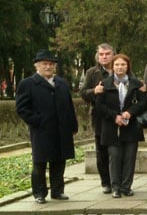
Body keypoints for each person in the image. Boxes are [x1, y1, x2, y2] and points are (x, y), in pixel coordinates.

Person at [16, 49, 78, 204]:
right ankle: (39, 193)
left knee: (59, 160)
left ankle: (57, 191)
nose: (48, 67)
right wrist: (38, 120)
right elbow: (22, 109)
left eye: (51, 64)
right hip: (42, 130)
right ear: (37, 66)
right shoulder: (28, 84)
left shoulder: (62, 83)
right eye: (45, 64)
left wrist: (72, 125)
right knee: (40, 163)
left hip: (62, 129)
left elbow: (69, 106)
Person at [95, 54, 146, 198]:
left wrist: (130, 112)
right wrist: (114, 116)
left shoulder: (136, 84)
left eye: (123, 64)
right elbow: (99, 106)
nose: (120, 67)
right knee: (115, 157)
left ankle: (126, 186)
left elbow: (143, 103)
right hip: (112, 127)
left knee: (130, 157)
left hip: (131, 126)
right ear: (112, 67)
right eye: (117, 64)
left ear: (128, 66)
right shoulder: (105, 84)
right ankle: (115, 187)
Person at [80, 43, 114, 194]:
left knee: (120, 150)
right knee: (102, 150)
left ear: (113, 54)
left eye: (107, 54)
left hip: (119, 114)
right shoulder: (92, 73)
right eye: (101, 54)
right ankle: (106, 182)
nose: (104, 57)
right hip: (100, 116)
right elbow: (83, 93)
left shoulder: (121, 67)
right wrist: (95, 90)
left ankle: (119, 181)